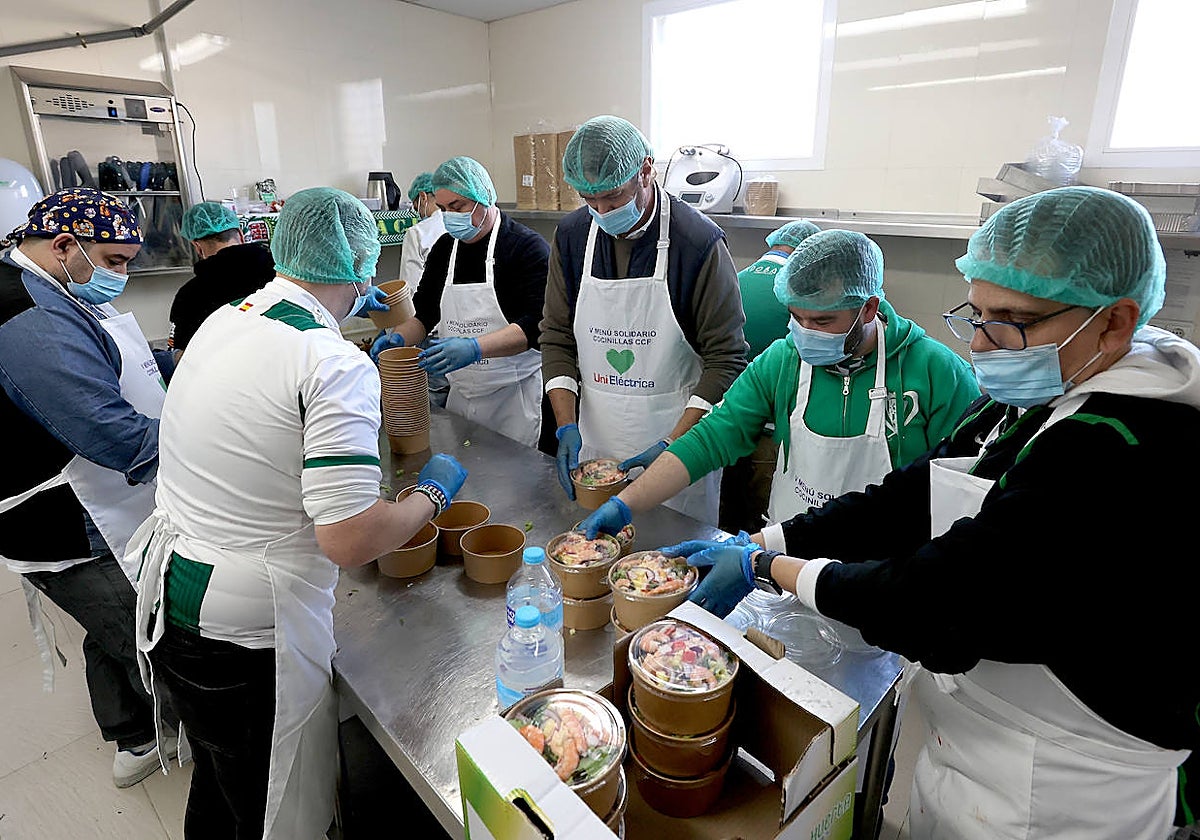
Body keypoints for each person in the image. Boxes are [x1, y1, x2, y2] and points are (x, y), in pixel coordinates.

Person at [665, 186, 1199, 839]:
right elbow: (906, 498)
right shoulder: (1037, 395)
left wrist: (771, 567)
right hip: (972, 742)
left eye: (1011, 318)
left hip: (1065, 784)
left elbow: (937, 603)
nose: (983, 343)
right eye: (974, 314)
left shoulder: (1128, 447)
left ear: (1115, 321)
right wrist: (769, 536)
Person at [130, 187, 468, 839]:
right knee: (274, 808)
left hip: (172, 589)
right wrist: (432, 495)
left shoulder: (232, 315)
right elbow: (348, 540)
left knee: (224, 781)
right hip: (248, 627)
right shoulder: (332, 362)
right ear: (363, 268)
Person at [582, 229, 979, 559]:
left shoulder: (936, 373)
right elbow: (713, 436)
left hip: (882, 573)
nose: (805, 332)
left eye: (823, 320)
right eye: (797, 317)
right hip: (784, 553)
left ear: (870, 308)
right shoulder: (783, 360)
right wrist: (626, 503)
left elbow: (964, 494)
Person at [0, 188, 174, 787]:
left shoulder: (51, 284)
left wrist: (177, 364)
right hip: (64, 516)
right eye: (116, 262)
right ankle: (164, 732)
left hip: (92, 500)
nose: (121, 276)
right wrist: (216, 447)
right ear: (65, 245)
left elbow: (110, 356)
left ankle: (131, 734)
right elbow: (114, 436)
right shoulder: (28, 320)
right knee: (136, 628)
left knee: (105, 624)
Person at [540, 115, 747, 523]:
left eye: (614, 198)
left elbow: (728, 358)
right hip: (597, 443)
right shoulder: (572, 236)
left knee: (669, 564)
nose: (601, 211)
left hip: (678, 448)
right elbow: (557, 336)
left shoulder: (698, 242)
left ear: (647, 171)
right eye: (589, 200)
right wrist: (565, 425)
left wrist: (674, 442)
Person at [370, 156, 551, 450]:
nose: (449, 216)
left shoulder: (525, 248)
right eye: (443, 209)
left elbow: (536, 327)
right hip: (461, 394)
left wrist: (475, 348)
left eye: (457, 207)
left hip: (513, 398)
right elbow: (425, 313)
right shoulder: (444, 248)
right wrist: (399, 338)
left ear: (484, 198)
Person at [718, 219, 822, 531]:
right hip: (771, 434)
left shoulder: (736, 278)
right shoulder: (804, 294)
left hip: (727, 422)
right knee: (761, 526)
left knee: (728, 512)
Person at [168, 201, 276, 359]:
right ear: (240, 234)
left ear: (197, 246)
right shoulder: (278, 272)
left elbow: (181, 357)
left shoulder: (190, 295)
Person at [397, 171, 445, 293]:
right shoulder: (461, 225)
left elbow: (410, 285)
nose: (417, 212)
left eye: (415, 206)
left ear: (423, 197)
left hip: (430, 304)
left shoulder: (417, 233)